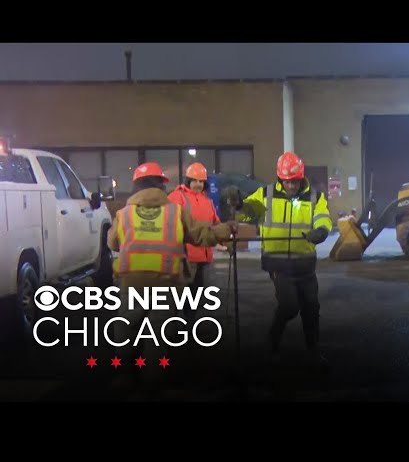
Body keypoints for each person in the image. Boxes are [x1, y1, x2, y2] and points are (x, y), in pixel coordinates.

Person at [107, 162, 235, 394]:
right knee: (157, 334)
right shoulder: (176, 212)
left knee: (126, 326)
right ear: (160, 186)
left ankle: (124, 374)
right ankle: (152, 382)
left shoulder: (123, 214)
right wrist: (227, 230)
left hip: (132, 283)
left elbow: (113, 243)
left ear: (136, 186)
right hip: (166, 283)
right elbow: (200, 235)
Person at [223, 151, 333, 366]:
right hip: (278, 263)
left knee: (311, 308)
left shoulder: (314, 197)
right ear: (280, 178)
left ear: (301, 177)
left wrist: (321, 230)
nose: (291, 186)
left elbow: (323, 217)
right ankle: (272, 341)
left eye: (294, 181)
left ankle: (313, 351)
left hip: (305, 263)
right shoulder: (266, 195)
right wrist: (237, 203)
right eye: (287, 181)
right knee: (290, 306)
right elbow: (248, 210)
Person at [168, 162, 221, 319]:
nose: (198, 184)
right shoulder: (176, 197)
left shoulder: (206, 201)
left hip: (204, 256)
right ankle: (175, 326)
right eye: (195, 180)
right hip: (186, 258)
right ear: (188, 181)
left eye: (201, 181)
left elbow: (215, 224)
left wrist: (227, 240)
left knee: (196, 294)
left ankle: (189, 324)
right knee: (180, 295)